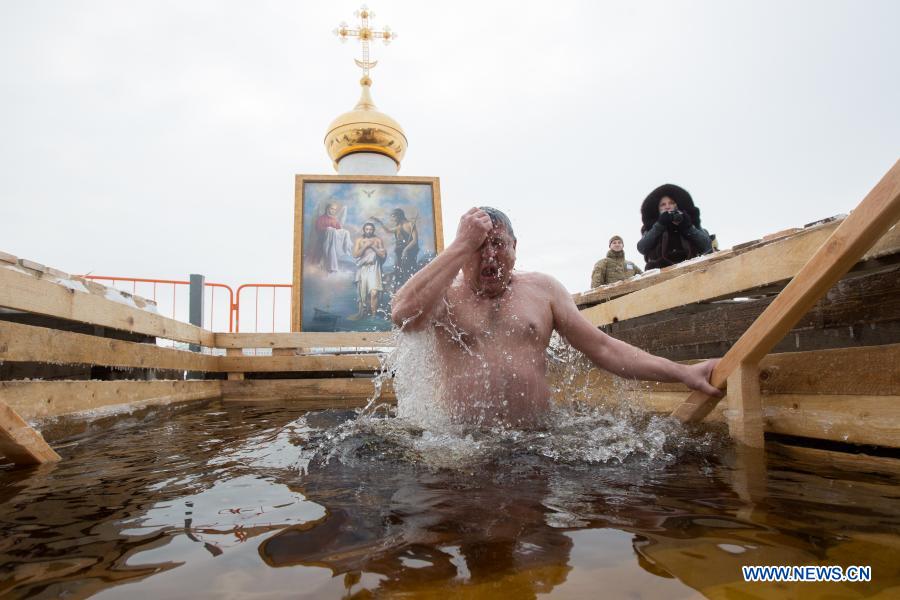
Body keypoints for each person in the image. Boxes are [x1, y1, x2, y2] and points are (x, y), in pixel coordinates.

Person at [391, 207, 720, 428]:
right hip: (458, 447)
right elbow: (403, 315)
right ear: (461, 250)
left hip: (536, 442)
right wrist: (462, 243)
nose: (490, 256)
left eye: (498, 245)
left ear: (515, 247)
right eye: (478, 247)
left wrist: (682, 372)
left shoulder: (543, 291)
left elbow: (604, 348)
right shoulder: (444, 294)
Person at [637, 184, 712, 270]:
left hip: (691, 269)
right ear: (658, 209)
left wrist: (687, 227)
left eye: (671, 203)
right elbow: (642, 248)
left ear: (677, 205)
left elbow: (707, 245)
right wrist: (660, 225)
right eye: (663, 205)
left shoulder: (689, 223)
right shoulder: (651, 227)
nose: (667, 206)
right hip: (660, 272)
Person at [371, 208, 419, 289]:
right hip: (399, 251)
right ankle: (400, 289)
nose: (392, 219)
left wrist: (405, 250)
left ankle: (411, 288)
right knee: (398, 270)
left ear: (399, 216)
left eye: (394, 216)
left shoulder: (411, 224)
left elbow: (415, 240)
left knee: (408, 270)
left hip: (409, 251)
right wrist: (380, 222)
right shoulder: (398, 226)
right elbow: (388, 231)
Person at [351, 222, 387, 319]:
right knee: (363, 293)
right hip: (363, 268)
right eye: (367, 229)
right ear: (364, 230)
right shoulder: (359, 240)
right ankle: (362, 312)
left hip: (374, 268)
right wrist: (365, 246)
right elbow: (355, 255)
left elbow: (383, 255)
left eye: (371, 229)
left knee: (374, 292)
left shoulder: (378, 240)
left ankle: (374, 316)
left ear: (373, 230)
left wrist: (372, 246)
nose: (369, 231)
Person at [313, 202, 354, 273]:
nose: (333, 211)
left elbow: (339, 230)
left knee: (346, 232)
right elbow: (318, 228)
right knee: (321, 263)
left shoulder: (335, 220)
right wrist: (328, 229)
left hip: (333, 242)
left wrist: (343, 232)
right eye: (332, 208)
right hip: (322, 241)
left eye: (335, 209)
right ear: (327, 209)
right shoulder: (321, 218)